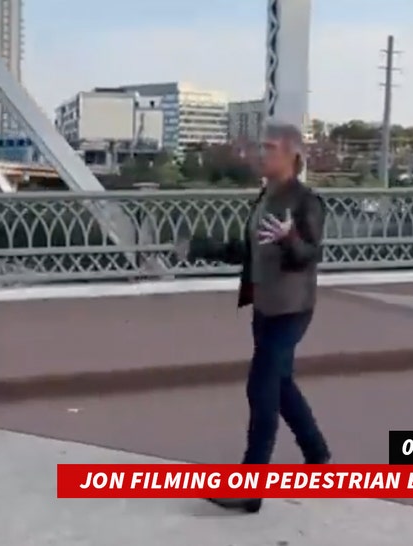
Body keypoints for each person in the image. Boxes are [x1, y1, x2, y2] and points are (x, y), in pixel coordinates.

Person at [177, 122, 331, 514]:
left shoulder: (305, 201)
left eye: (270, 148)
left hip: (292, 310)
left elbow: (308, 255)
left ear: (292, 154)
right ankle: (318, 455)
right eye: (261, 147)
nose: (262, 154)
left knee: (261, 390)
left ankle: (250, 488)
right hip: (265, 308)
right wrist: (198, 247)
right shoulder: (265, 197)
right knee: (279, 385)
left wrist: (289, 238)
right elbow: (244, 251)